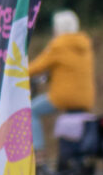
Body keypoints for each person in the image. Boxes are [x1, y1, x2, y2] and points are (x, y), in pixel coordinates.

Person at [28, 9, 94, 153]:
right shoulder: (84, 44)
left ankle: (38, 152)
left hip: (63, 97)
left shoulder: (59, 45)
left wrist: (18, 72)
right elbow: (69, 69)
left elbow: (37, 67)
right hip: (85, 99)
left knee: (31, 110)